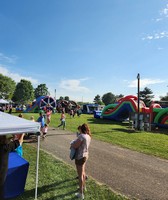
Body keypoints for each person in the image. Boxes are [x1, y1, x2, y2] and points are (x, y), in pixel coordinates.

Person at [71, 123, 91, 199]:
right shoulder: (88, 136)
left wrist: (72, 144)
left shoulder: (81, 136)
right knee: (83, 173)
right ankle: (84, 187)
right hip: (85, 155)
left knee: (80, 176)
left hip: (80, 156)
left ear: (81, 129)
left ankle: (81, 193)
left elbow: (75, 145)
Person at [0, 135, 22, 200]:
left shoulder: (6, 146)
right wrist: (22, 134)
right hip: (2, 172)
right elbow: (19, 142)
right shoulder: (6, 147)